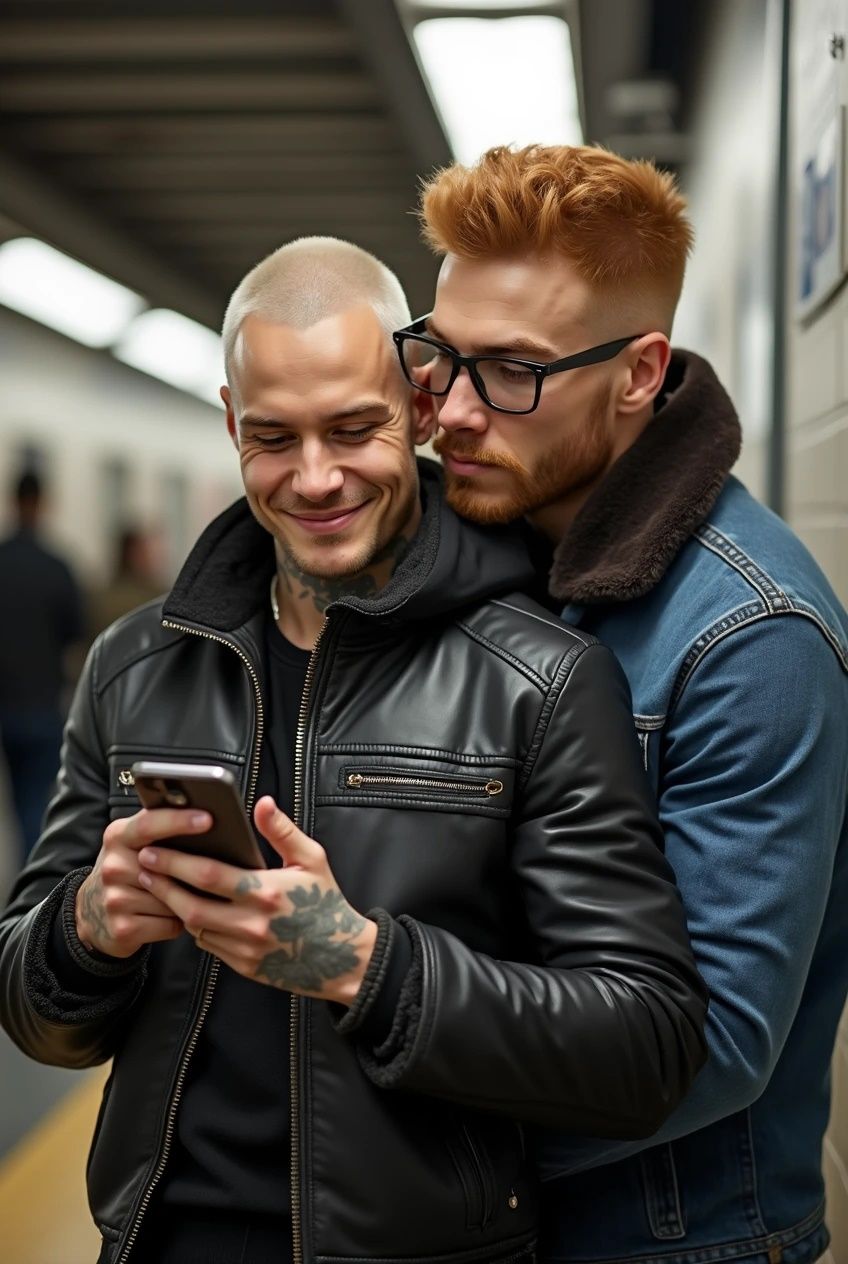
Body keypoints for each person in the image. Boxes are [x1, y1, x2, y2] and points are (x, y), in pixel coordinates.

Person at [0, 238, 707, 1264]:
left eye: (352, 428)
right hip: (156, 1240)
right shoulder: (133, 667)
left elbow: (642, 1046)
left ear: (419, 406)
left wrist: (365, 966)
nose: (315, 477)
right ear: (230, 423)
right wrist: (83, 929)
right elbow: (31, 1012)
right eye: (273, 438)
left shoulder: (538, 681)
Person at [403, 144, 848, 1264]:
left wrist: (383, 1149)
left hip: (672, 1238)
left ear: (640, 372)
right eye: (440, 357)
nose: (452, 412)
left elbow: (715, 1042)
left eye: (511, 371)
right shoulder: (479, 555)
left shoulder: (752, 636)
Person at [0, 468, 84, 862]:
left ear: (14, 501)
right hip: (42, 701)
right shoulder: (57, 567)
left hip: (5, 700)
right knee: (36, 801)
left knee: (19, 801)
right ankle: (29, 881)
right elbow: (75, 633)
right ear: (42, 503)